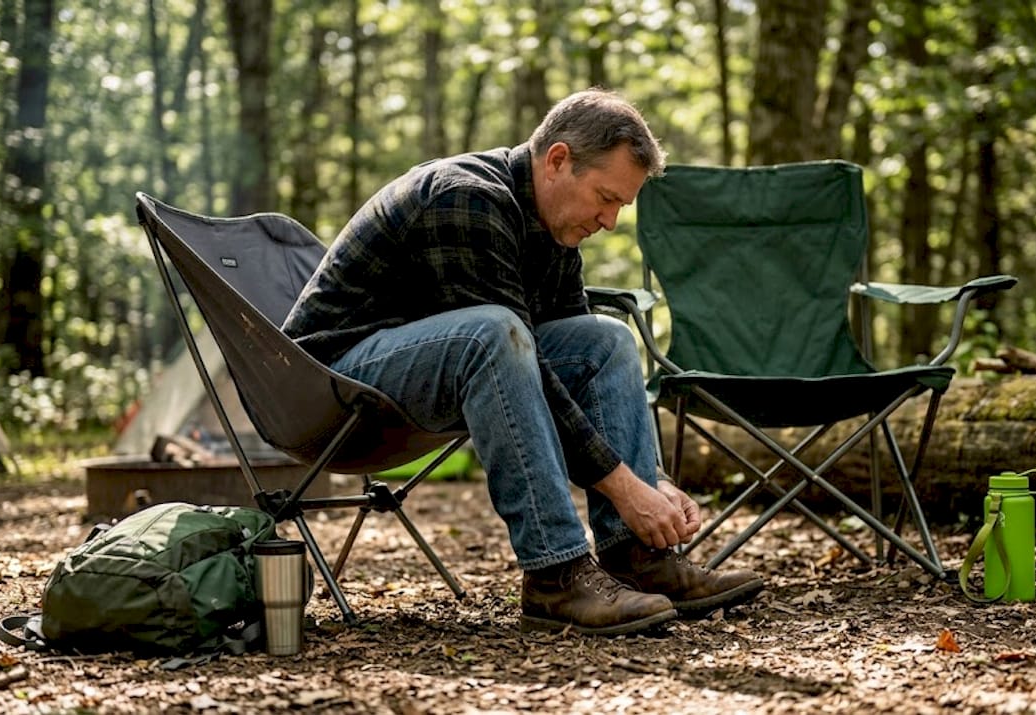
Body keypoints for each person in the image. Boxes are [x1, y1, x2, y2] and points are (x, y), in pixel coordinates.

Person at [283, 88, 763, 636]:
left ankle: (638, 559)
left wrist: (651, 478)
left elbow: (576, 368)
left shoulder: (553, 230)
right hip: (330, 383)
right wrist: (627, 488)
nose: (609, 221)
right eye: (605, 198)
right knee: (493, 331)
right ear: (558, 160)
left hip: (415, 380)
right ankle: (555, 576)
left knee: (605, 339)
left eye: (619, 208)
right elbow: (518, 357)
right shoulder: (465, 200)